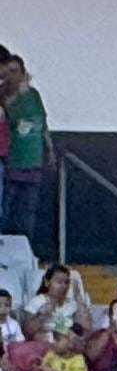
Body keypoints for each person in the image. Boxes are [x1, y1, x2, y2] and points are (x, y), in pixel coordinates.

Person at [0, 47, 47, 256]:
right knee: (6, 212)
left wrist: (49, 152)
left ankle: (24, 254)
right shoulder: (4, 95)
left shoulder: (34, 96)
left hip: (33, 163)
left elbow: (42, 123)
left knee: (28, 214)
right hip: (11, 162)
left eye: (16, 71)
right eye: (7, 71)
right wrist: (17, 93)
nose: (11, 76)